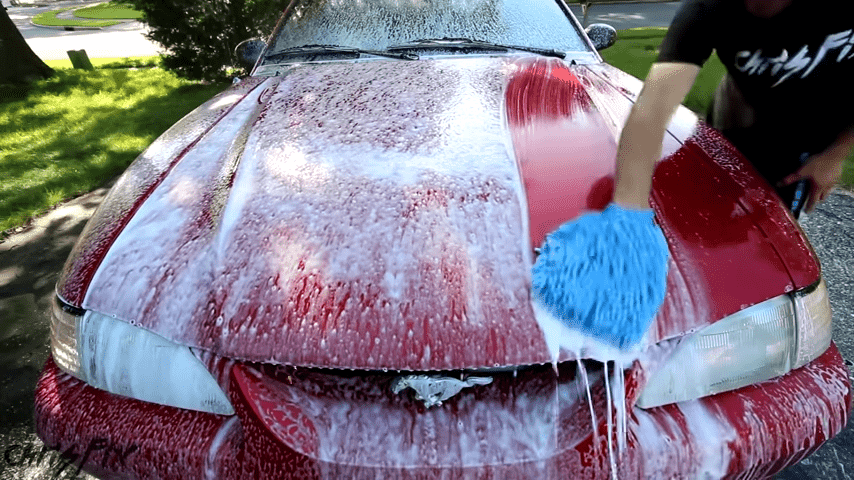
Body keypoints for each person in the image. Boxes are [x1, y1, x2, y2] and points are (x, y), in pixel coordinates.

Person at [612, 0, 854, 217]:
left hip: (812, 137)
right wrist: (627, 202)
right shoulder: (706, 10)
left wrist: (834, 155)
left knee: (773, 223)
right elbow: (654, 106)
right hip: (742, 117)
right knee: (703, 206)